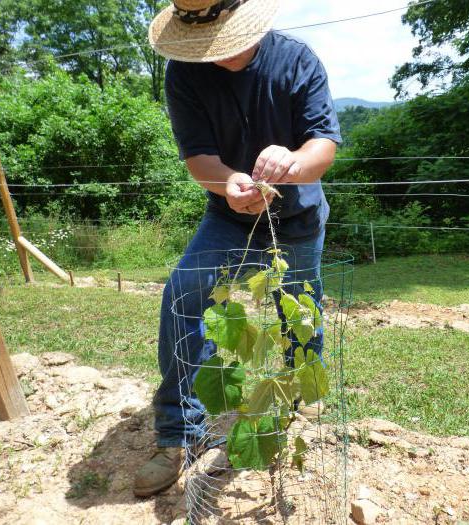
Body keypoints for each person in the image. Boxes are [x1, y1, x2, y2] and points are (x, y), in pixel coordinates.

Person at [134, 0, 341, 497]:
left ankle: (299, 392)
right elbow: (198, 157)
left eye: (227, 40)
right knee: (183, 295)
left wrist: (291, 161)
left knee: (299, 301)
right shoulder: (183, 74)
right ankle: (178, 434)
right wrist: (229, 185)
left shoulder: (297, 59)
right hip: (227, 217)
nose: (218, 55)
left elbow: (324, 146)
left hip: (298, 218)